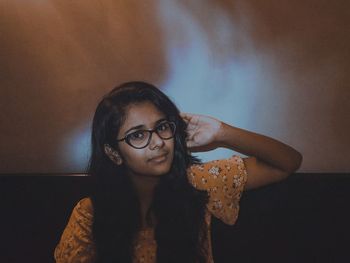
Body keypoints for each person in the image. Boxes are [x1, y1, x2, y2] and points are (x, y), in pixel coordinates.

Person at [54, 81, 302, 263]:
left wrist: (221, 133)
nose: (158, 142)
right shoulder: (89, 215)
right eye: (138, 135)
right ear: (113, 153)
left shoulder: (198, 182)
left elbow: (286, 162)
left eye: (162, 127)